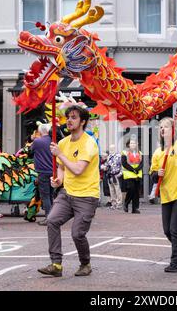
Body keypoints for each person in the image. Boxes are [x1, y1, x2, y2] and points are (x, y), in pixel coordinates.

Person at [38, 105, 100, 277]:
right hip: (67, 194)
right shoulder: (63, 143)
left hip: (87, 196)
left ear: (83, 121)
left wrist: (60, 154)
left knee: (77, 234)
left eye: (73, 117)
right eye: (68, 117)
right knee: (52, 220)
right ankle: (56, 264)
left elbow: (78, 169)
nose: (69, 120)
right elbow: (62, 168)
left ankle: (85, 263)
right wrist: (58, 181)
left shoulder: (89, 143)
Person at [150, 114, 177, 272]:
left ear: (173, 130)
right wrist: (157, 174)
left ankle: (176, 263)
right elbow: (153, 175)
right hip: (167, 194)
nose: (162, 129)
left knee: (174, 228)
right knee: (167, 230)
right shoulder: (157, 152)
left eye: (166, 126)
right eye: (160, 127)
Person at [31, 123, 53, 226]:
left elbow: (30, 151)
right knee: (51, 195)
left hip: (42, 171)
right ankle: (53, 216)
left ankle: (49, 218)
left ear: (40, 131)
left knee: (45, 196)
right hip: (53, 171)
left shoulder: (37, 141)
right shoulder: (52, 141)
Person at [121, 137, 143, 214]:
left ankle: (135, 208)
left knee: (136, 192)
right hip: (129, 174)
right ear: (128, 144)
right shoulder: (124, 152)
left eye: (134, 143)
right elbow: (124, 163)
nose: (133, 144)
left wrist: (137, 169)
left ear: (137, 144)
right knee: (131, 189)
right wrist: (133, 169)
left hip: (137, 175)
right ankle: (126, 203)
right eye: (131, 143)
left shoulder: (140, 153)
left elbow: (141, 164)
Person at [106, 144, 123, 210]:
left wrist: (120, 174)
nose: (111, 150)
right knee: (112, 190)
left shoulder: (119, 156)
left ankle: (119, 204)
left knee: (117, 190)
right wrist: (105, 167)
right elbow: (107, 165)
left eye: (113, 148)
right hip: (110, 175)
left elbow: (122, 166)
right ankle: (113, 204)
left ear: (115, 149)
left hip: (116, 175)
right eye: (110, 149)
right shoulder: (109, 156)